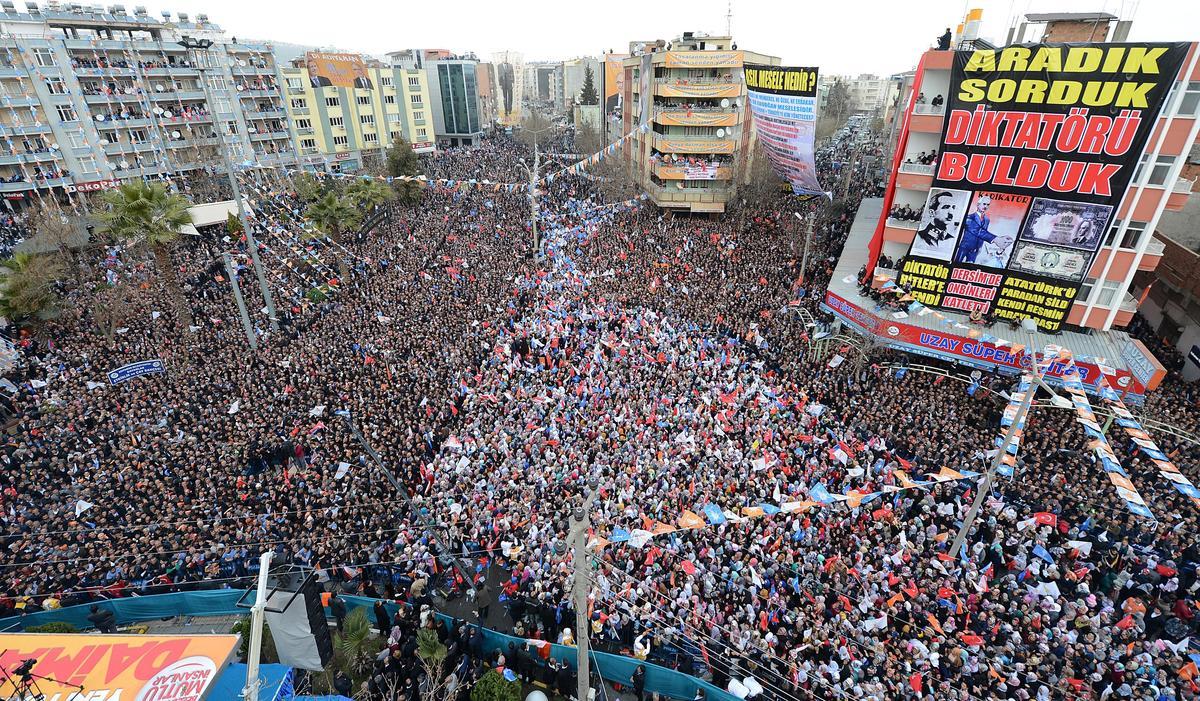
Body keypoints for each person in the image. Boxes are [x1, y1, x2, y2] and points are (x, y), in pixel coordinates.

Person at [955, 194, 1012, 264]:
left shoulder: (987, 220)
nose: (985, 206)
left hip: (975, 250)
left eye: (988, 205)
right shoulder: (969, 217)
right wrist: (996, 239)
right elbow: (977, 230)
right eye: (984, 204)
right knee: (956, 264)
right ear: (978, 204)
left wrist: (980, 247)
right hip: (964, 247)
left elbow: (984, 233)